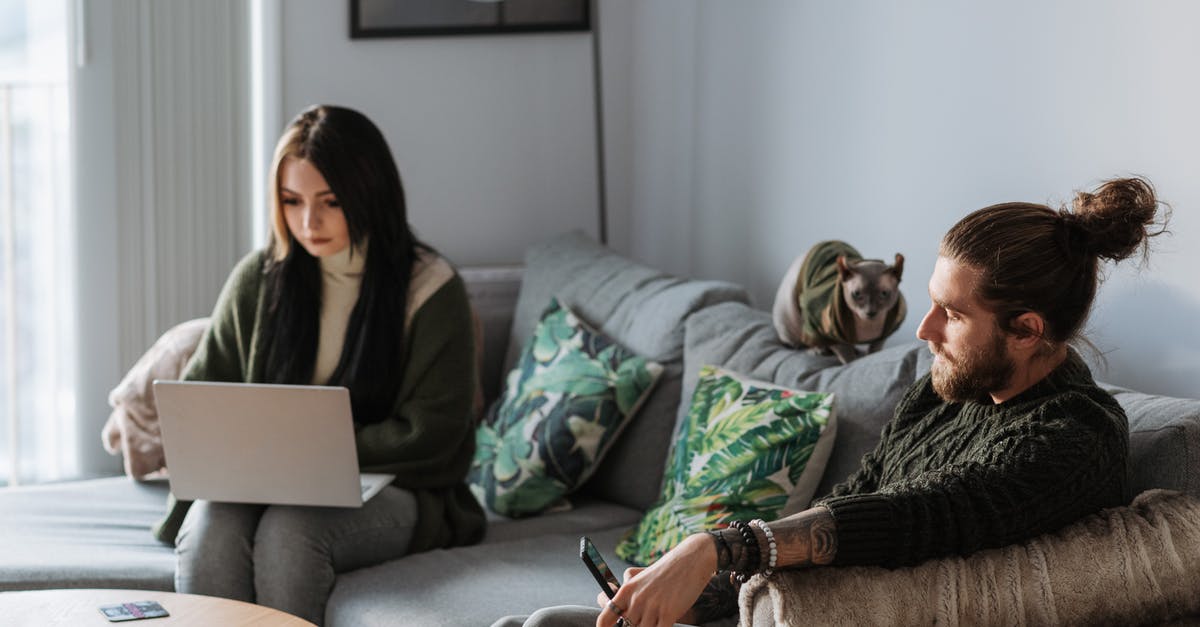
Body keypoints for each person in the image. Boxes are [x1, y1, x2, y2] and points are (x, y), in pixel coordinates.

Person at [493, 176, 1168, 627]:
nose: (923, 331)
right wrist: (698, 596)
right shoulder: (947, 392)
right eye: (929, 303)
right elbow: (850, 499)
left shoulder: (1076, 437)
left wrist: (714, 548)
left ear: (1027, 330)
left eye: (952, 316)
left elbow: (913, 518)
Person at [151, 105, 485, 625]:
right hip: (261, 480)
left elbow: (436, 431)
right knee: (210, 531)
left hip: (395, 487)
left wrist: (320, 450)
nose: (309, 222)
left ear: (370, 194)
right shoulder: (260, 279)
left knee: (290, 534)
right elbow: (201, 397)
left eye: (331, 202)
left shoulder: (431, 289)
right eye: (292, 201)